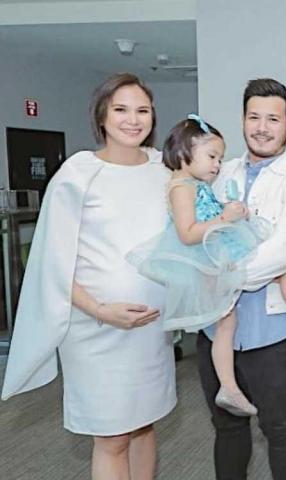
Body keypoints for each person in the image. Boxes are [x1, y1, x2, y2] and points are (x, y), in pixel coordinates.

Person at [1, 73, 176, 479]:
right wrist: (100, 310)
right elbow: (50, 263)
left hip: (151, 329)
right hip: (96, 329)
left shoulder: (164, 171)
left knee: (145, 423)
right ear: (102, 117)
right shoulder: (78, 174)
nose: (133, 120)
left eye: (142, 110)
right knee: (111, 437)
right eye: (121, 110)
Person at [128, 115, 286, 418]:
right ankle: (233, 383)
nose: (217, 165)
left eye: (219, 158)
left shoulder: (195, 183)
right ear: (185, 151)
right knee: (234, 313)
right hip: (207, 253)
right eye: (212, 157)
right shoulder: (181, 188)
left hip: (217, 244)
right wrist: (224, 218)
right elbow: (187, 233)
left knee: (241, 308)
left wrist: (230, 211)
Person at [196, 78, 286, 480]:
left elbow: (281, 252)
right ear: (242, 120)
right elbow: (193, 227)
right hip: (215, 328)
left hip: (272, 332)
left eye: (273, 119)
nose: (262, 128)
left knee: (279, 429)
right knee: (226, 427)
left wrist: (219, 273)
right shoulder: (217, 171)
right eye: (254, 117)